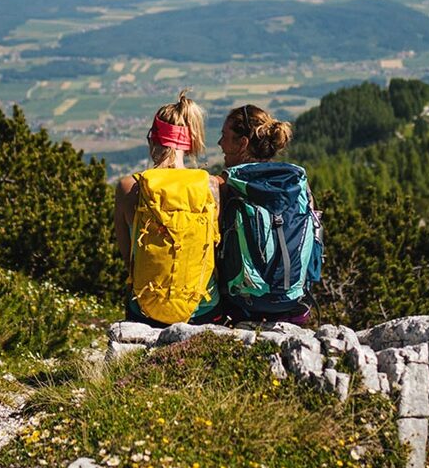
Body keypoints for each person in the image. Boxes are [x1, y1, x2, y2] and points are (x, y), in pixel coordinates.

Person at [113, 91, 222, 325]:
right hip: (202, 307)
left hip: (144, 307)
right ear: (190, 143)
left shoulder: (128, 187)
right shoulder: (210, 187)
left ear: (153, 139)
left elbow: (127, 256)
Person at [216, 104, 322, 325]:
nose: (219, 144)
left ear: (243, 143)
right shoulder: (297, 183)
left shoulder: (227, 186)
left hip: (242, 307)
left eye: (224, 136)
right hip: (296, 305)